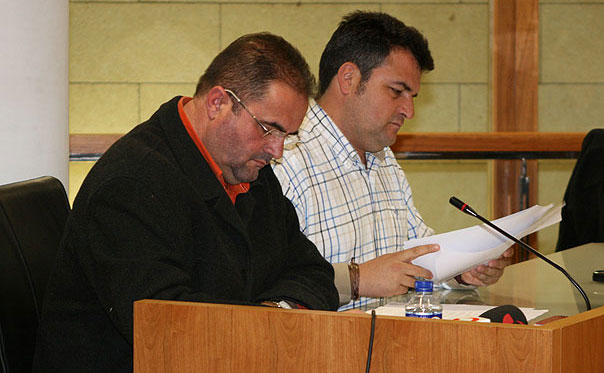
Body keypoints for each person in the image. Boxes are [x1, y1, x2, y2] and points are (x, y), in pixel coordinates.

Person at [33, 33, 339, 372]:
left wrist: (275, 313)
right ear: (218, 103)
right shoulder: (132, 184)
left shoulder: (249, 171)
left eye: (288, 135)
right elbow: (168, 326)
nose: (277, 150)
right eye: (269, 129)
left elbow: (312, 271)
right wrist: (268, 323)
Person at [272, 11, 512, 310]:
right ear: (349, 79)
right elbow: (269, 285)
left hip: (389, 342)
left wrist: (463, 269)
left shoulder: (383, 159)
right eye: (396, 92)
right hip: (323, 348)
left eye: (412, 96)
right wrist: (358, 279)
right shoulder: (285, 158)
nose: (408, 111)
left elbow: (417, 255)